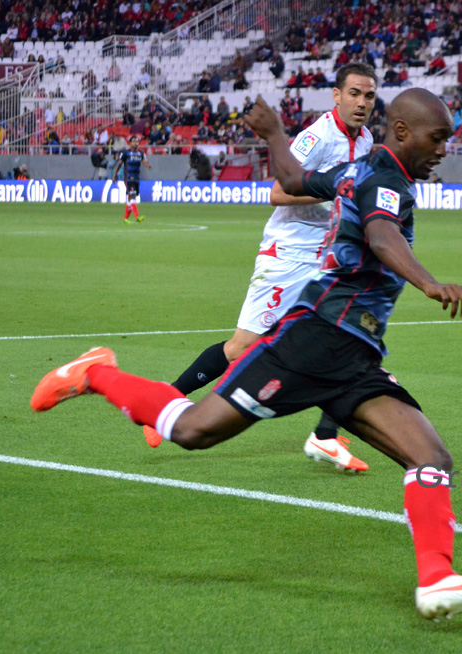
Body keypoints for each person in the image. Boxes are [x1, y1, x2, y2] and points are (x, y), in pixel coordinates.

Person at [30, 88, 462, 621]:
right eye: (438, 136)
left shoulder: (357, 170)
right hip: (316, 339)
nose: (444, 148)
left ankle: (436, 581)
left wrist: (274, 135)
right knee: (194, 430)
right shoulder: (384, 181)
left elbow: (291, 182)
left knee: (431, 459)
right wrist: (429, 284)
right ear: (403, 131)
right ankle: (98, 374)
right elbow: (381, 238)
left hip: (354, 354)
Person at [157, 63, 379, 471]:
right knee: (242, 347)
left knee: (347, 342)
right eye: (354, 94)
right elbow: (278, 192)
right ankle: (167, 399)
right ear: (336, 95)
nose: (362, 103)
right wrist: (332, 197)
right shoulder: (317, 136)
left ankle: (326, 436)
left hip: (328, 259)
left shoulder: (365, 139)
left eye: (369, 95)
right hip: (289, 255)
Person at [111, 135, 151, 223]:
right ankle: (137, 216)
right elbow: (119, 164)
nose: (135, 143)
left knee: (130, 198)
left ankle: (125, 218)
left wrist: (147, 165)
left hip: (137, 178)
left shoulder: (141, 153)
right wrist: (114, 175)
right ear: (130, 143)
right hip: (128, 178)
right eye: (134, 141)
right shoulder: (125, 153)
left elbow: (144, 161)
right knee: (132, 196)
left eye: (137, 141)